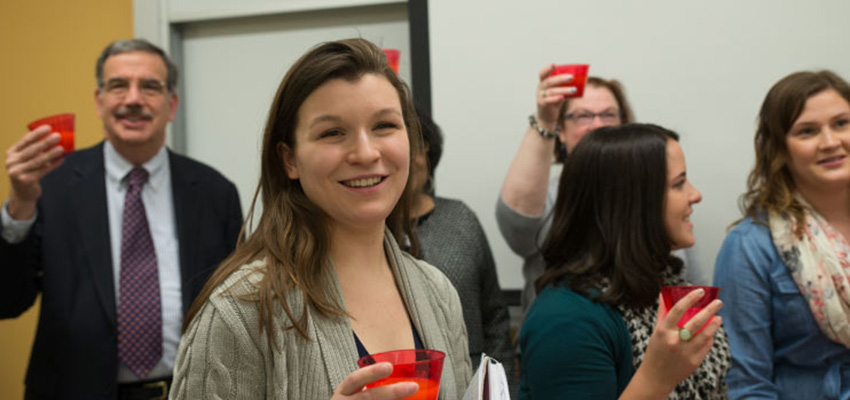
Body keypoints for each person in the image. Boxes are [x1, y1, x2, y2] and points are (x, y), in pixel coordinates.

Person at [169, 38, 472, 399]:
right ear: (289, 160)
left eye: (384, 126)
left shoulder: (437, 293)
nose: (365, 152)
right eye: (332, 133)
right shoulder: (239, 311)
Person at [0, 39, 243, 399]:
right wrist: (20, 206)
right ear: (99, 102)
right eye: (118, 86)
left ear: (171, 104)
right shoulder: (50, 186)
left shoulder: (214, 192)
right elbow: (7, 300)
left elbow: (237, 306)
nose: (133, 99)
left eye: (150, 87)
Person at [520, 124, 730, 399]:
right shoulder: (567, 318)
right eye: (679, 184)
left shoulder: (662, 281)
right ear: (632, 202)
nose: (695, 195)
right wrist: (657, 378)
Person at [496, 67, 707, 320]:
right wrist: (545, 119)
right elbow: (518, 231)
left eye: (608, 114)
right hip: (574, 334)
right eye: (582, 116)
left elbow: (694, 287)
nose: (597, 124)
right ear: (560, 131)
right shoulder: (549, 196)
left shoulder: (657, 195)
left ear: (625, 125)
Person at [714, 70, 850, 399]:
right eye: (807, 131)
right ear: (778, 148)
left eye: (842, 123)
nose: (831, 142)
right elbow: (746, 384)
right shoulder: (750, 246)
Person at [408, 107, 515, 387]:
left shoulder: (460, 219)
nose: (409, 160)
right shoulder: (366, 234)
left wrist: (498, 387)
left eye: (417, 147)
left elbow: (495, 317)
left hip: (470, 378)